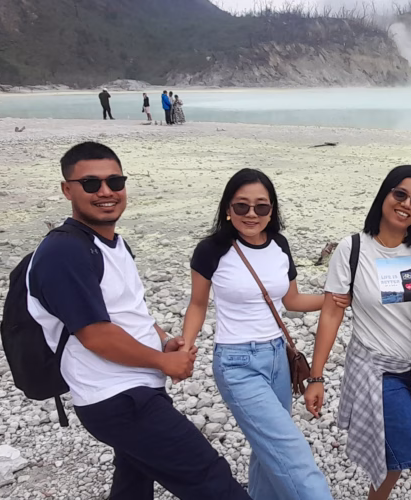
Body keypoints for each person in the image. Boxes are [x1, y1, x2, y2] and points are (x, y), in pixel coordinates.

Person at [26, 142, 250, 500]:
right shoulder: (64, 252)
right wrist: (163, 361)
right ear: (67, 189)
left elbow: (129, 313)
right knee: (209, 478)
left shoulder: (111, 243)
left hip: (134, 390)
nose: (105, 192)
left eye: (115, 181)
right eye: (90, 184)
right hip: (116, 398)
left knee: (133, 483)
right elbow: (96, 334)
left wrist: (162, 340)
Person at [181, 168, 343, 500]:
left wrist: (335, 299)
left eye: (261, 207)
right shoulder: (212, 250)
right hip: (237, 363)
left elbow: (292, 300)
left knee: (267, 445)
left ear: (272, 210)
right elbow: (198, 304)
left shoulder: (279, 245)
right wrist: (185, 345)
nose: (252, 214)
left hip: (277, 359)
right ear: (228, 209)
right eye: (241, 206)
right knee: (291, 450)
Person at [306, 165, 411, 500]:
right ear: (385, 194)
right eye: (400, 194)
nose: (407, 204)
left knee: (393, 460)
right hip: (375, 374)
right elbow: (332, 313)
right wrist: (316, 377)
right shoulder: (352, 249)